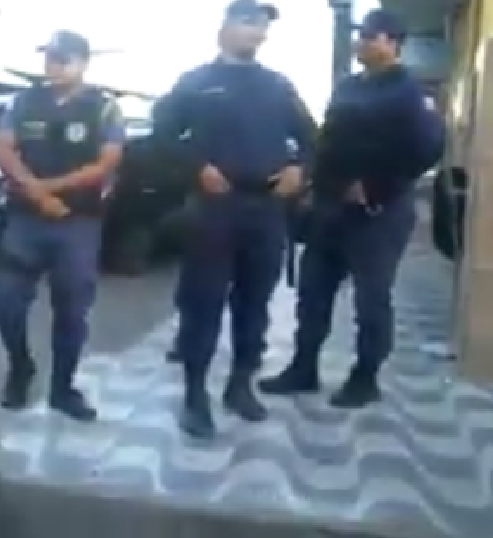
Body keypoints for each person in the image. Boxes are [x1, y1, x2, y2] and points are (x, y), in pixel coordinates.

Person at [258, 9, 444, 407]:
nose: (361, 42)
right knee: (313, 292)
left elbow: (429, 148)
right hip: (330, 208)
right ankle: (303, 368)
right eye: (361, 35)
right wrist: (310, 183)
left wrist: (376, 186)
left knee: (371, 299)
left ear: (392, 43)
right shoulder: (348, 87)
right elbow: (326, 141)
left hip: (377, 215)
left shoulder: (408, 92)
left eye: (371, 36)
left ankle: (365, 378)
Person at [151, 0, 317, 439]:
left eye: (262, 25)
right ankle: (194, 395)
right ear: (224, 26)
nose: (257, 32)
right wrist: (196, 167)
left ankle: (240, 385)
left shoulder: (277, 85)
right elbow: (162, 134)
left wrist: (301, 169)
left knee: (255, 304)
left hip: (265, 210)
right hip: (214, 210)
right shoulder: (196, 82)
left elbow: (312, 138)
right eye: (248, 22)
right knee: (202, 303)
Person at [0, 30, 125, 421]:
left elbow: (107, 162)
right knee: (6, 300)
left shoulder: (104, 107)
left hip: (77, 221)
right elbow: (2, 148)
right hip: (25, 219)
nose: (54, 65)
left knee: (72, 309)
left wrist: (50, 189)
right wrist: (36, 192)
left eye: (63, 59)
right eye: (50, 57)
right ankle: (20, 367)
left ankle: (63, 388)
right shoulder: (24, 101)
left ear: (83, 63)